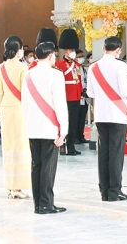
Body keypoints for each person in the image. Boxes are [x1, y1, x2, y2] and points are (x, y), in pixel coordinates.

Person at [87, 37, 127, 202]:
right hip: (117, 115)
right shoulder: (120, 66)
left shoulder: (93, 67)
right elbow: (125, 90)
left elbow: (90, 93)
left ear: (104, 48)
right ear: (118, 50)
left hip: (100, 115)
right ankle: (114, 191)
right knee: (116, 154)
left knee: (103, 154)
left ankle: (104, 191)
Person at [22, 41, 69, 214]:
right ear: (50, 56)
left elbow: (24, 103)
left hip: (32, 126)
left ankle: (38, 203)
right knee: (48, 167)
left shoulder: (28, 74)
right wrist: (64, 129)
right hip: (50, 126)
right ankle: (46, 204)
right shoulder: (56, 75)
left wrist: (26, 124)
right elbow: (60, 104)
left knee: (36, 166)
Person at [0, 36, 32, 199]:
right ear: (18, 51)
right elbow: (25, 93)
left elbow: (0, 93)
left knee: (8, 147)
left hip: (5, 109)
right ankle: (18, 187)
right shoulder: (23, 67)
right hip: (19, 109)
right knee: (21, 146)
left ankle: (10, 186)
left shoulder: (1, 67)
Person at [56, 28, 82, 156]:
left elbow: (78, 80)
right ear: (66, 51)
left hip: (76, 96)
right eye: (71, 50)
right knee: (66, 122)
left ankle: (71, 146)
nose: (73, 52)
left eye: (73, 50)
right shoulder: (60, 65)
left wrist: (81, 92)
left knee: (74, 123)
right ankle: (64, 146)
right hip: (67, 96)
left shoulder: (76, 64)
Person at [76, 49, 90, 144]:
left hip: (85, 96)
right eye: (79, 57)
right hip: (78, 96)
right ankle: (75, 137)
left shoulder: (83, 67)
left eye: (82, 56)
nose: (82, 58)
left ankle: (81, 135)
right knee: (76, 118)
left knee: (82, 118)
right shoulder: (75, 67)